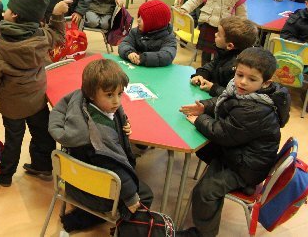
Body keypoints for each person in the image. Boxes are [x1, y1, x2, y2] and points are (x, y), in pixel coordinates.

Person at [179, 48, 290, 237]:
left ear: (266, 83)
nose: (242, 82)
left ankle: (203, 234)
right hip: (240, 155)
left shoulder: (256, 110)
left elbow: (222, 134)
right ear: (235, 70)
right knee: (205, 153)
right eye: (239, 75)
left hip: (246, 168)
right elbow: (225, 100)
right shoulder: (247, 92)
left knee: (205, 192)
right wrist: (204, 107)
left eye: (251, 79)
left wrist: (199, 120)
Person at [49, 59, 154, 232]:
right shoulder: (96, 138)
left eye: (120, 94)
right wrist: (130, 198)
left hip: (73, 181)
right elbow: (113, 165)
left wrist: (122, 124)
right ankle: (122, 229)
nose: (117, 102)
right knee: (144, 194)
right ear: (92, 94)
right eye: (109, 95)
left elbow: (109, 123)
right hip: (93, 191)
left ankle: (80, 219)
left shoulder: (80, 101)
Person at [0, 0, 69, 187]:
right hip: (37, 100)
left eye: (8, 9)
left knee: (14, 140)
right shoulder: (42, 37)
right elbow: (57, 35)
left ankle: (5, 176)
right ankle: (43, 166)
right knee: (43, 134)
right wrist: (57, 15)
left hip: (13, 106)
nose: (5, 12)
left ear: (15, 15)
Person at [179, 0, 248, 65]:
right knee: (206, 52)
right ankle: (204, 70)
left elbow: (241, 15)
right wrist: (185, 7)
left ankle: (215, 71)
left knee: (220, 54)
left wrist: (242, 30)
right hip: (208, 24)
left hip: (225, 29)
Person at [190, 16, 259, 97]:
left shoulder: (239, 67)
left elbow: (236, 95)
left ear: (230, 46)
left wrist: (213, 88)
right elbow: (212, 65)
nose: (215, 34)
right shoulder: (224, 52)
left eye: (219, 34)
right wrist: (201, 75)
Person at [118, 0, 177, 67]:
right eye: (139, 16)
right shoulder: (135, 32)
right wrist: (129, 53)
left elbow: (167, 56)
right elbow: (124, 44)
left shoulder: (168, 37)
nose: (138, 20)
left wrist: (144, 58)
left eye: (142, 18)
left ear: (154, 22)